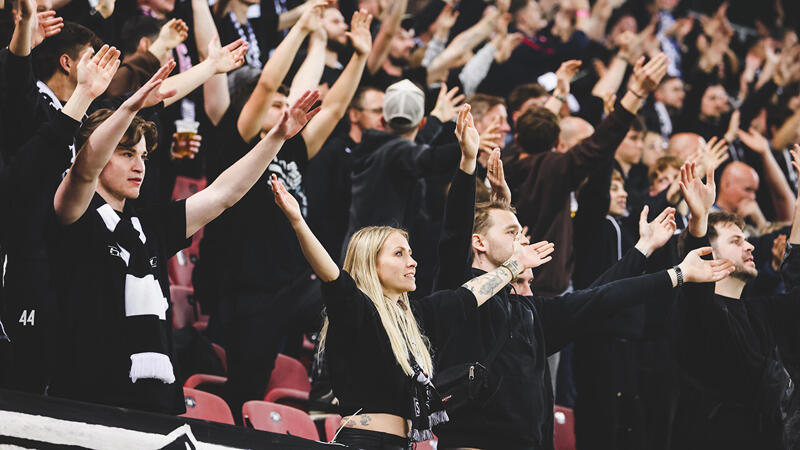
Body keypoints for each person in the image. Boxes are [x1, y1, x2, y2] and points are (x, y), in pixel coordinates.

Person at [430, 107, 735, 449]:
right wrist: (468, 164)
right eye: (513, 232)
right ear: (480, 242)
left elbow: (601, 297)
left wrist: (662, 263)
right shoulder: (459, 295)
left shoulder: (531, 312)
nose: (523, 240)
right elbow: (455, 234)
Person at [47, 57, 320, 413]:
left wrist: (277, 138)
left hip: (156, 402)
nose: (139, 165)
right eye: (127, 153)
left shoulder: (151, 224)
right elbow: (85, 170)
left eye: (143, 155)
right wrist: (130, 106)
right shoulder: (74, 213)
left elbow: (224, 194)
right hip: (88, 397)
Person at [272, 105, 554, 446]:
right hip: (363, 441)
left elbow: (473, 292)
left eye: (411, 252)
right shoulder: (357, 310)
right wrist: (298, 223)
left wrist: (469, 162)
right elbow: (330, 273)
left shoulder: (418, 317)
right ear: (370, 264)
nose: (413, 262)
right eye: (399, 253)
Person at [504, 53, 669, 297]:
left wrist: (560, 94)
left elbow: (595, 167)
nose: (588, 154)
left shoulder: (510, 163)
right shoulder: (552, 169)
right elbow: (598, 146)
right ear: (559, 144)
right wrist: (634, 95)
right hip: (538, 293)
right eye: (583, 144)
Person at [670, 155, 800, 449]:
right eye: (736, 241)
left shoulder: (760, 312)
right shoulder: (695, 311)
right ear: (708, 254)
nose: (750, 245)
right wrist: (698, 220)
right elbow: (696, 291)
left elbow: (797, 287)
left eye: (746, 239)